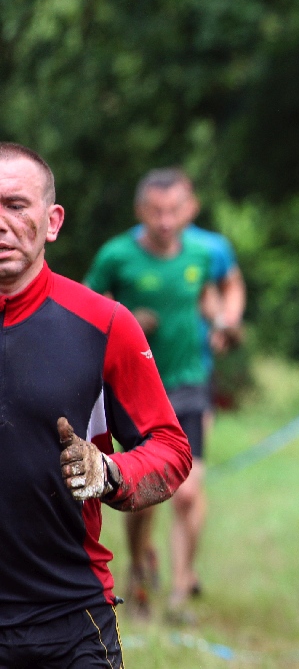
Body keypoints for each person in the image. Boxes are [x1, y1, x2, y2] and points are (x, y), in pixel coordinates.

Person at [0, 142, 191, 667]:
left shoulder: (102, 324)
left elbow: (171, 450)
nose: (2, 223)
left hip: (69, 619)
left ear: (52, 220)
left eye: (16, 205)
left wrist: (108, 472)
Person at [84, 167, 216, 622]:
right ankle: (139, 566)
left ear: (190, 210)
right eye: (155, 211)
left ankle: (181, 590)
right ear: (141, 211)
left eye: (174, 210)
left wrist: (221, 325)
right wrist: (125, 316)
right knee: (140, 489)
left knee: (187, 492)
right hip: (134, 390)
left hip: (188, 382)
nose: (165, 221)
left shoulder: (202, 252)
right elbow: (84, 309)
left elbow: (211, 297)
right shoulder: (117, 255)